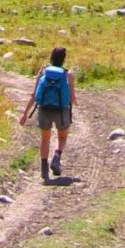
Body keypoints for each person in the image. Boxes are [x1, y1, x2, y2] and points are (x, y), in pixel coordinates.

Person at [20, 45, 76, 183]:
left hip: (44, 109)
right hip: (61, 112)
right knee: (62, 136)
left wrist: (25, 114)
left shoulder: (43, 71)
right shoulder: (67, 74)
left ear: (51, 57)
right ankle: (57, 156)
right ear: (64, 59)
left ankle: (44, 170)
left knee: (45, 139)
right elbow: (72, 98)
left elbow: (34, 95)